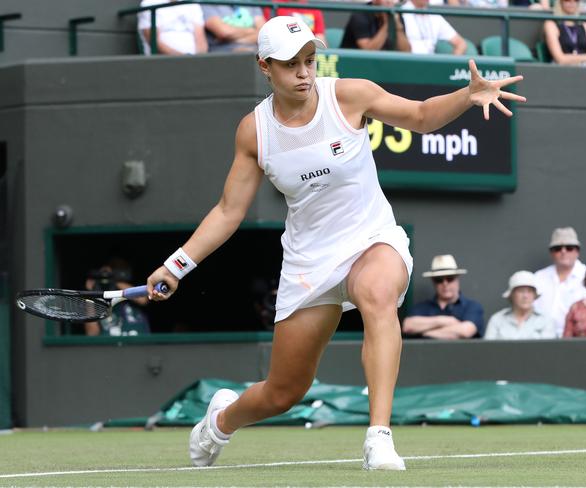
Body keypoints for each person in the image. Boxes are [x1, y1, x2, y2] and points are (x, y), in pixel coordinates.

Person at [146, 15, 524, 470]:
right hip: (311, 260)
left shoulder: (348, 95)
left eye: (310, 60)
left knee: (377, 292)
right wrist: (177, 265)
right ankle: (220, 422)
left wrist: (467, 95)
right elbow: (229, 211)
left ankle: (378, 438)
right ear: (265, 67)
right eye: (291, 65)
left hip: (372, 237)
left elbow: (421, 117)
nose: (305, 72)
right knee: (283, 393)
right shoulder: (255, 131)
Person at [402, 255, 485, 339]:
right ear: (433, 281)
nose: (445, 284)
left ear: (457, 279)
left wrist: (424, 333)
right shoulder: (422, 308)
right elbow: (408, 326)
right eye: (439, 280)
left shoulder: (472, 307)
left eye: (450, 278)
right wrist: (446, 321)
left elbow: (465, 331)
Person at [533, 227, 586, 337]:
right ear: (551, 252)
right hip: (542, 338)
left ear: (577, 251)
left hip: (579, 337)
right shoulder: (539, 277)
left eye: (569, 248)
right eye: (558, 248)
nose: (563, 252)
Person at [85, 258, 151, 336]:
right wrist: (90, 295)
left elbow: (143, 299)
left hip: (140, 344)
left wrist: (114, 280)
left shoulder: (129, 294)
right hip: (111, 346)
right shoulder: (96, 305)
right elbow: (92, 334)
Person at [485, 271, 556, 340]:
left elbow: (548, 350)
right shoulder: (497, 320)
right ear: (512, 295)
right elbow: (487, 349)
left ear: (534, 295)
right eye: (521, 291)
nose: (525, 296)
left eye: (530, 291)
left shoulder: (546, 321)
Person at [543, 0, 586, 66]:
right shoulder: (551, 24)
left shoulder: (585, 25)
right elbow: (560, 59)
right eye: (567, 0)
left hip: (585, 66)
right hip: (562, 68)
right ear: (560, 2)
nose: (572, 2)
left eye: (576, 0)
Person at [137, 0, 208, 56]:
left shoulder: (192, 4)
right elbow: (154, 43)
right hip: (162, 64)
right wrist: (184, 59)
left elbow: (201, 41)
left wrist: (198, 61)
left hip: (194, 64)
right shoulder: (149, 3)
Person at [340, 0, 411, 52]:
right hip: (356, 65)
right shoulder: (360, 15)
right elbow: (368, 51)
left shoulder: (396, 14)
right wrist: (387, 24)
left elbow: (406, 50)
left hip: (384, 65)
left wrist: (397, 25)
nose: (389, 1)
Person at [401, 0, 467, 55]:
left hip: (430, 67)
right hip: (407, 65)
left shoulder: (435, 17)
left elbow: (461, 44)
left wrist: (449, 68)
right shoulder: (400, 14)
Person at [263, 0, 327, 46]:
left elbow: (320, 38)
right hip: (283, 48)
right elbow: (269, 36)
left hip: (308, 48)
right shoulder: (274, 5)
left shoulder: (314, 9)